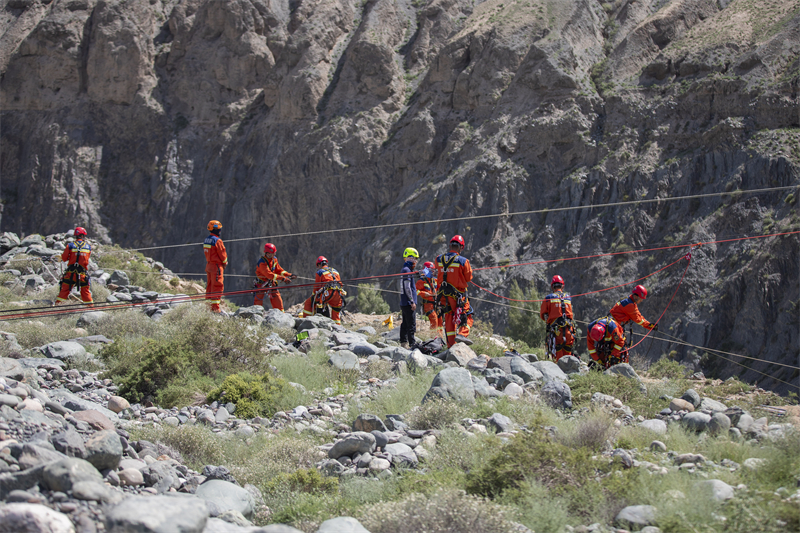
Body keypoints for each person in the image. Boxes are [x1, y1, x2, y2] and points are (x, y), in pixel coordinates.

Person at [435, 234, 473, 347]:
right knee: (467, 314)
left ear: (450, 245)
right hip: (458, 296)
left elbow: (439, 269)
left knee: (449, 317)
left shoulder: (439, 259)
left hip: (443, 295)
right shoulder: (463, 261)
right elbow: (468, 278)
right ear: (461, 247)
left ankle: (451, 346)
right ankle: (462, 334)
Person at [300, 256, 346, 324]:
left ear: (319, 264)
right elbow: (340, 284)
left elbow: (317, 286)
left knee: (308, 302)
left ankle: (305, 322)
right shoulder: (335, 271)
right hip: (338, 295)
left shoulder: (320, 272)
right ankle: (337, 327)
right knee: (336, 313)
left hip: (327, 294)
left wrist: (313, 296)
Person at [539, 275, 575, 361]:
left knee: (558, 358)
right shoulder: (568, 297)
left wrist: (549, 321)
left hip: (556, 331)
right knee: (568, 357)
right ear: (562, 285)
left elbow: (543, 315)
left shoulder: (548, 298)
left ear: (552, 286)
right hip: (569, 331)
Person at [56, 226, 93, 305]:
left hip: (70, 274)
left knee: (64, 290)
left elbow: (64, 258)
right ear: (83, 236)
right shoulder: (88, 247)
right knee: (85, 292)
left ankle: (57, 306)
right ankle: (90, 308)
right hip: (82, 274)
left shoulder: (70, 246)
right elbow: (86, 260)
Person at [254, 243, 295, 311]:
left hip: (271, 284)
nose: (274, 254)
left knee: (277, 300)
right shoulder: (262, 262)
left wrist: (289, 275)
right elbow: (269, 275)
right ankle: (256, 314)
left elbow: (279, 270)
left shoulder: (274, 259)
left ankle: (281, 315)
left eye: (274, 253)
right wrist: (283, 278)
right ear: (267, 253)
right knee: (258, 302)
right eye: (273, 253)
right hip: (261, 285)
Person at [204, 220, 228, 313]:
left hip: (209, 265)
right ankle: (215, 308)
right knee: (217, 285)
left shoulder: (207, 240)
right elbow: (222, 254)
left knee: (210, 286)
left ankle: (208, 306)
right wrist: (225, 263)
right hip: (216, 266)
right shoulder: (218, 241)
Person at [416, 261, 443, 338]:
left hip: (436, 304)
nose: (433, 272)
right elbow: (415, 290)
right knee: (434, 319)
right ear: (426, 270)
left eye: (433, 270)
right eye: (431, 270)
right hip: (428, 304)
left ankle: (440, 338)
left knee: (440, 320)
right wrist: (423, 293)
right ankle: (433, 338)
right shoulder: (421, 281)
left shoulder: (434, 280)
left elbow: (440, 287)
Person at [399, 247, 419, 349]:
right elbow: (407, 288)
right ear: (410, 258)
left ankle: (403, 342)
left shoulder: (405, 269)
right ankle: (412, 344)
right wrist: (412, 301)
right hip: (408, 302)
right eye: (415, 258)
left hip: (403, 302)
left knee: (405, 323)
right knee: (411, 324)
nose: (416, 261)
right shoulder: (407, 270)